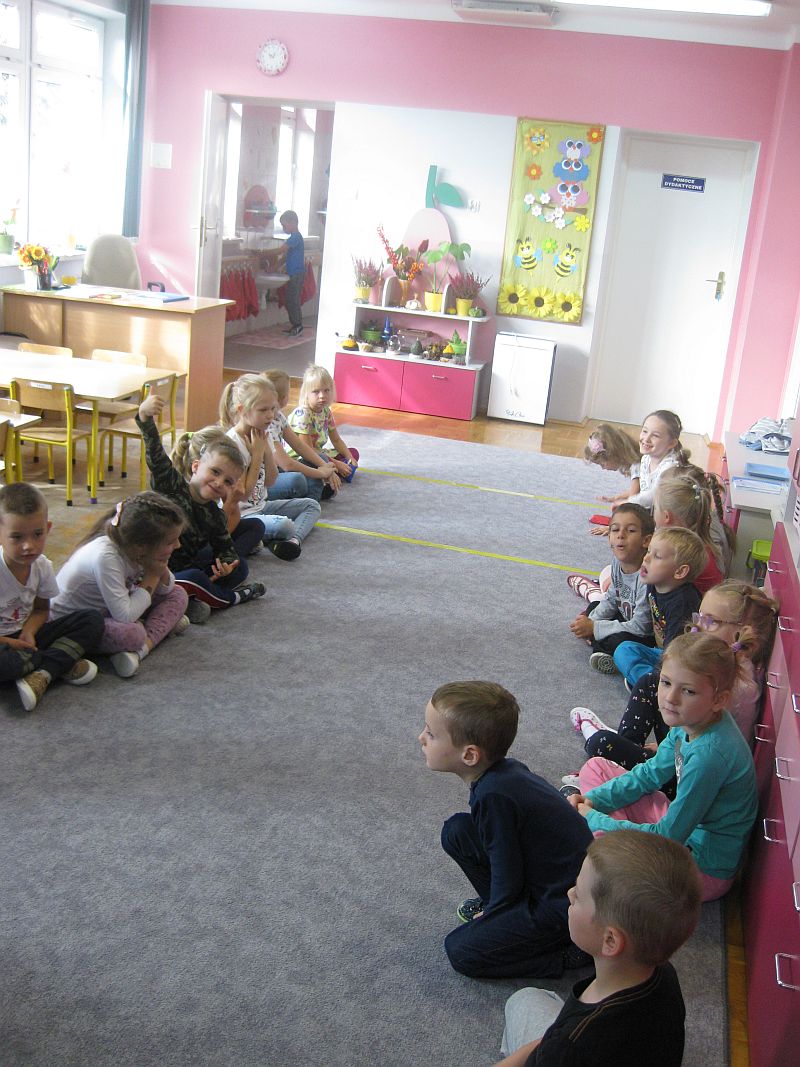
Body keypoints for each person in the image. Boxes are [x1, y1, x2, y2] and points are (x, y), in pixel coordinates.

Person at [419, 680, 593, 979]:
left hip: (562, 905)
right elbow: (506, 854)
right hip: (543, 880)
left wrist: (495, 914)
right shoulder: (503, 774)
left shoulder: (494, 796)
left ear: (469, 755)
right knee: (457, 831)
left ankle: (566, 955)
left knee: (460, 952)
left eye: (431, 734)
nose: (421, 738)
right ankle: (506, 913)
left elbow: (506, 872)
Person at [565, 633, 758, 902]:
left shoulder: (709, 757)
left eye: (688, 691)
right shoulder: (690, 722)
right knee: (595, 767)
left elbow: (667, 838)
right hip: (682, 834)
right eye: (666, 683)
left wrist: (593, 817)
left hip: (699, 870)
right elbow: (649, 774)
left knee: (613, 856)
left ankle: (600, 849)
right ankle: (599, 841)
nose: (670, 698)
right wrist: (593, 801)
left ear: (718, 700)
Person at [496, 832, 701, 1067]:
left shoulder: (570, 1046)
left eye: (579, 894)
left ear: (610, 941)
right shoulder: (663, 973)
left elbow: (556, 1046)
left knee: (522, 999)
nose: (569, 893)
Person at [567, 580, 779, 777]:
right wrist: (665, 747)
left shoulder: (733, 685)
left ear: (740, 633)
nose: (698, 627)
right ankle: (624, 751)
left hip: (688, 775)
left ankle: (615, 763)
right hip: (683, 747)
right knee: (651, 682)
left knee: (600, 742)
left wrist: (664, 751)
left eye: (711, 621)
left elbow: (702, 747)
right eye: (699, 616)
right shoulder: (728, 664)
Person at [137, 393, 265, 616]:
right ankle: (232, 598)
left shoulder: (214, 515)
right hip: (149, 574)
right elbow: (155, 453)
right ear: (196, 466)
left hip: (183, 570)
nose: (219, 483)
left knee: (240, 567)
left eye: (228, 481)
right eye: (215, 472)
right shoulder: (172, 485)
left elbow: (225, 548)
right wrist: (145, 417)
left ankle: (190, 598)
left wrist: (226, 565)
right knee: (195, 578)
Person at [52, 491, 190, 679]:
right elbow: (125, 616)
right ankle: (147, 639)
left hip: (109, 609)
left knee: (178, 594)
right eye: (171, 541)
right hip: (75, 625)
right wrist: (152, 576)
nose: (178, 545)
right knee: (133, 634)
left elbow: (167, 588)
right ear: (142, 545)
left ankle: (139, 650)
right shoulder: (106, 556)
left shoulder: (137, 549)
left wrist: (160, 569)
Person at [0, 482, 103, 712]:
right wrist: (9, 643)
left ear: (47, 528)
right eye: (16, 537)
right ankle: (58, 662)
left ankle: (41, 672)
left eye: (37, 534)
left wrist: (29, 631)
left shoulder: (42, 566)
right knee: (6, 663)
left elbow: (41, 610)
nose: (29, 546)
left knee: (92, 620)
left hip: (26, 637)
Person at [218, 373, 320, 560]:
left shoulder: (262, 434)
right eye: (263, 410)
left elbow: (271, 480)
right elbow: (243, 495)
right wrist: (257, 455)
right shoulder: (233, 444)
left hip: (262, 506)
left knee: (311, 505)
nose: (271, 415)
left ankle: (292, 541)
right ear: (242, 410)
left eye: (273, 408)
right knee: (284, 525)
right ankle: (272, 536)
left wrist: (265, 449)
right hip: (242, 515)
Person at [610, 526, 705, 683]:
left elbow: (676, 654)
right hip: (661, 650)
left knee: (623, 651)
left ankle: (654, 685)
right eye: (648, 551)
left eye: (657, 556)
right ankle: (649, 679)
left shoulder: (683, 602)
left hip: (681, 660)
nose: (646, 558)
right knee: (624, 649)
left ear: (680, 572)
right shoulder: (654, 583)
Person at [568, 503, 655, 671]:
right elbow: (611, 599)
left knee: (618, 641)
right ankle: (598, 641)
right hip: (626, 617)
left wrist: (594, 628)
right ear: (609, 537)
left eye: (630, 530)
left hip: (643, 634)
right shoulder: (617, 562)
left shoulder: (647, 576)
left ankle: (607, 652)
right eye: (615, 530)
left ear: (646, 541)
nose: (621, 535)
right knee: (594, 607)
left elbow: (641, 627)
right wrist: (592, 620)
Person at [262, 369, 341, 502]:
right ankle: (310, 502)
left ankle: (310, 496)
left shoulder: (278, 416)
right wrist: (320, 473)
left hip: (277, 471)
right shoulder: (265, 425)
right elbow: (287, 465)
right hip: (263, 482)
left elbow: (299, 446)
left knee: (320, 458)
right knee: (297, 480)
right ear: (283, 398)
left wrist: (325, 466)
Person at [287, 364, 359, 487]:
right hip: (302, 458)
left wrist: (349, 457)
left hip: (319, 454)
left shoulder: (326, 411)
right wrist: (336, 464)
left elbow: (336, 440)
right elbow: (307, 450)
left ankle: (332, 473)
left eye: (326, 390)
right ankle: (328, 475)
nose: (322, 396)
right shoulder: (303, 415)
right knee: (326, 461)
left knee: (353, 453)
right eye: (316, 391)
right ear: (306, 393)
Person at [654, 472, 725, 590]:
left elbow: (655, 581)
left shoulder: (683, 554)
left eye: (656, 508)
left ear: (666, 517)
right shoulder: (690, 541)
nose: (653, 513)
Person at [627, 409, 690, 510]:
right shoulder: (646, 458)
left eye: (655, 435)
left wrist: (628, 502)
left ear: (671, 443)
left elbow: (653, 496)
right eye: (645, 431)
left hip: (665, 512)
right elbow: (645, 490)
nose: (646, 439)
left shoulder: (670, 466)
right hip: (651, 509)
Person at [584, 424, 641, 534]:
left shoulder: (636, 468)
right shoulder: (636, 464)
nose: (603, 468)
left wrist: (614, 527)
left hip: (658, 507)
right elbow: (640, 489)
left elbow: (634, 503)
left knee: (625, 510)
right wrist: (616, 497)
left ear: (614, 454)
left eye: (602, 463)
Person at [277, 209, 306, 337]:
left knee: (293, 300)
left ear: (293, 222)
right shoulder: (293, 238)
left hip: (297, 274)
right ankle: (295, 325)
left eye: (285, 225)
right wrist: (274, 266)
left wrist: (263, 253)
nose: (283, 228)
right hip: (293, 274)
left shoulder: (296, 237)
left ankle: (298, 325)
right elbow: (285, 257)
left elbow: (281, 250)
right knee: (290, 299)